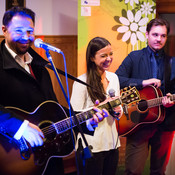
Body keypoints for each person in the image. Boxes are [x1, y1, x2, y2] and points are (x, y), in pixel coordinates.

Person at [0, 6, 109, 175]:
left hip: (46, 159)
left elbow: (53, 110)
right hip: (12, 157)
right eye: (18, 31)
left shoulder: (40, 66)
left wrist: (86, 121)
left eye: (29, 31)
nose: (25, 37)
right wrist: (20, 128)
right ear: (4, 30)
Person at [115, 18, 175, 175]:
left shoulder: (172, 62)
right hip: (137, 123)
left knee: (159, 171)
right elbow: (116, 80)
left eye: (163, 36)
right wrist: (142, 82)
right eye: (155, 34)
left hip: (165, 124)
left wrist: (171, 101)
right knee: (133, 171)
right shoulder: (134, 57)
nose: (159, 39)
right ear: (147, 34)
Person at [70, 37, 123, 175]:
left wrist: (118, 111)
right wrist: (92, 117)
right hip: (91, 145)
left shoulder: (114, 78)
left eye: (110, 54)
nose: (109, 59)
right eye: (103, 56)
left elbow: (118, 106)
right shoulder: (81, 81)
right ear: (92, 58)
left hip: (112, 143)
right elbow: (74, 116)